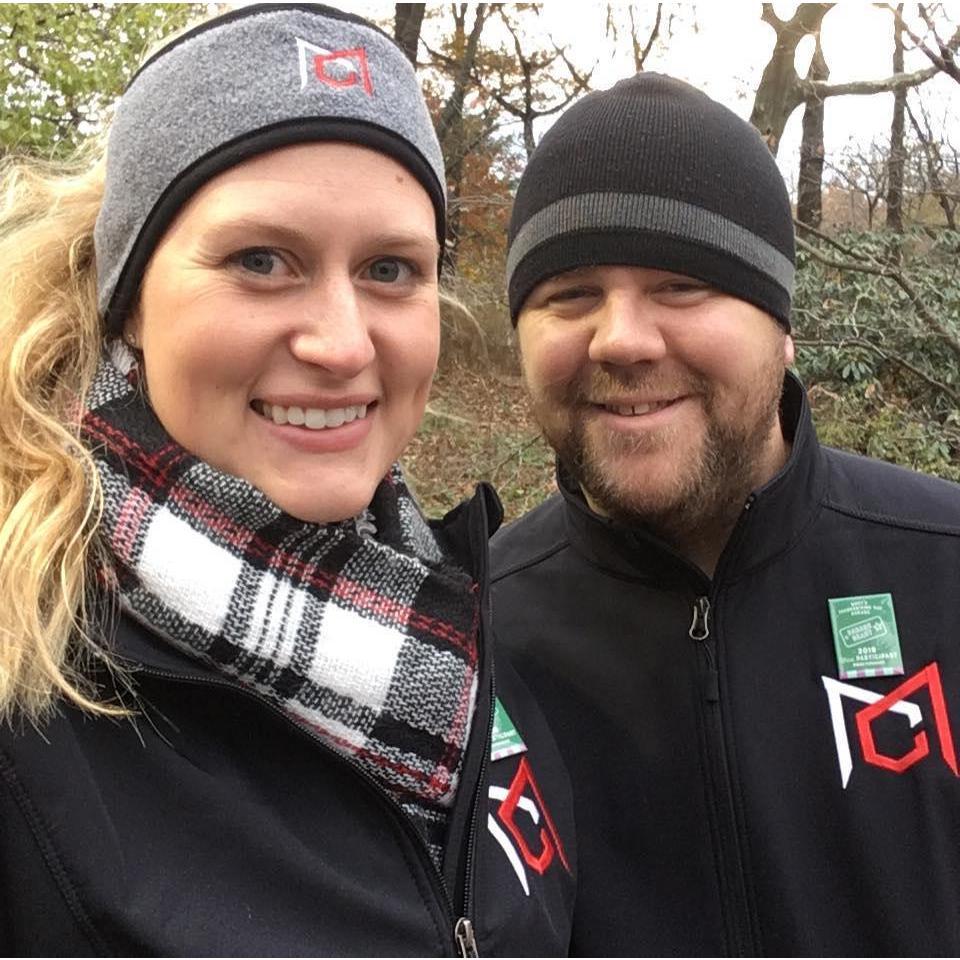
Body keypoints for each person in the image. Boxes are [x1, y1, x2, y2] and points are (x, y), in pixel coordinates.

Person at [0, 5, 575, 955]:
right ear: (128, 301)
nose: (343, 343)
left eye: (391, 268)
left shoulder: (458, 628)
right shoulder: (34, 704)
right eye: (262, 262)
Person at [491, 72, 960, 957]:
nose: (621, 338)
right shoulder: (470, 647)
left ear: (782, 325)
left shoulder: (944, 571)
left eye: (681, 285)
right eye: (570, 296)